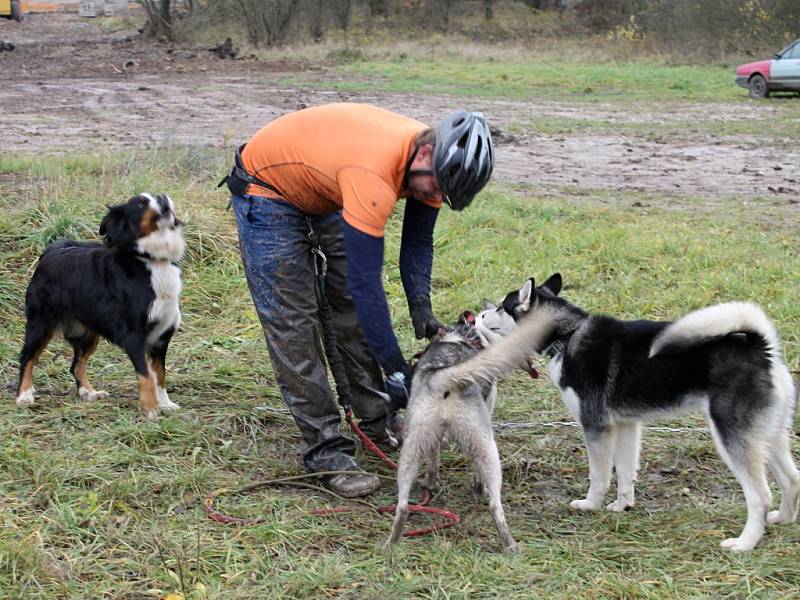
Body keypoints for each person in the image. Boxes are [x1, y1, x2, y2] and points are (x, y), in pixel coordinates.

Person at [224, 103, 494, 498]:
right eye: (436, 187)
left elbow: (417, 242)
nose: (435, 196)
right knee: (294, 324)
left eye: (444, 194)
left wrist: (420, 304)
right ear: (425, 154)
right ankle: (326, 451)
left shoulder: (434, 168)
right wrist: (398, 370)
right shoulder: (375, 174)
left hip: (324, 186)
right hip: (268, 190)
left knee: (348, 309)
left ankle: (375, 418)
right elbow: (365, 283)